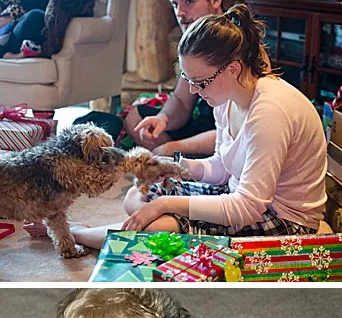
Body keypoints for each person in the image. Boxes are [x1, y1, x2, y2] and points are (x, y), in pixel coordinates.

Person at [72, 4, 327, 249]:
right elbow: (223, 167)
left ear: (233, 69)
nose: (194, 90)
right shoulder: (227, 99)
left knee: (156, 224)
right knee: (137, 197)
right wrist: (175, 168)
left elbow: (248, 207)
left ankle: (79, 234)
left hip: (284, 219)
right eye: (188, 80)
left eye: (200, 81)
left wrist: (166, 205)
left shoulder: (270, 111)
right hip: (241, 196)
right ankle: (106, 228)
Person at [74, 0, 229, 155]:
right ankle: (184, 159)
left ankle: (186, 158)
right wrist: (163, 119)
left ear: (215, 1)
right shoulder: (195, 42)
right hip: (200, 127)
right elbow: (181, 101)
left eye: (189, 1)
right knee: (136, 119)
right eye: (175, 4)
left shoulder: (234, 46)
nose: (180, 12)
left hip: (225, 136)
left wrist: (173, 148)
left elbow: (235, 132)